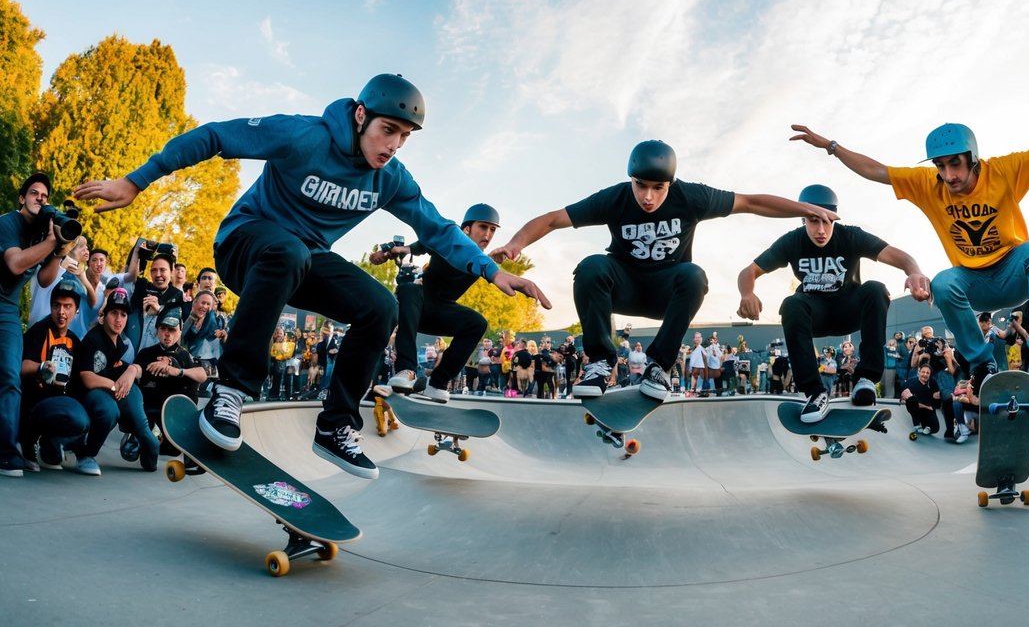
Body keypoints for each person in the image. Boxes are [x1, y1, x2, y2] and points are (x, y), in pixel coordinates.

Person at [76, 73, 548, 479]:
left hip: (300, 261)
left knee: (380, 307)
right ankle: (231, 390)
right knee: (287, 249)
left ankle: (336, 425)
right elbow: (216, 136)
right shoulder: (303, 136)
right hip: (245, 245)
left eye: (404, 137)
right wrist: (137, 180)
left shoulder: (391, 179)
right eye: (388, 130)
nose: (393, 146)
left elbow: (438, 228)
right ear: (361, 115)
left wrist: (490, 271)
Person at [790, 69, 1029, 403]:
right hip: (972, 284)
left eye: (955, 165)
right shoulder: (930, 184)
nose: (948, 175)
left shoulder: (1003, 171)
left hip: (1013, 274)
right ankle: (982, 365)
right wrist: (831, 145)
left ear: (973, 159)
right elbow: (878, 171)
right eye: (941, 166)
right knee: (941, 282)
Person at [491, 139, 838, 401]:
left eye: (658, 188)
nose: (648, 197)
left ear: (670, 183)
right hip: (623, 288)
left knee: (694, 275)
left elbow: (750, 202)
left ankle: (658, 366)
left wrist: (803, 210)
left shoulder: (691, 197)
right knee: (592, 266)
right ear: (632, 180)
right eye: (641, 185)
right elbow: (553, 219)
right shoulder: (614, 198)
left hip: (666, 292)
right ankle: (599, 363)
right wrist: (517, 244)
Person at [737, 183, 929, 421]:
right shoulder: (792, 241)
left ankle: (865, 379)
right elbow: (749, 271)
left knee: (876, 289)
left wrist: (914, 272)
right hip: (814, 313)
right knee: (791, 303)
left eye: (827, 222)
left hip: (847, 311)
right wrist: (747, 294)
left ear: (835, 220)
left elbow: (900, 256)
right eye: (813, 221)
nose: (821, 230)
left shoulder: (850, 235)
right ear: (803, 220)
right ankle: (815, 393)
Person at [373, 204, 503, 403]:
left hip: (442, 311)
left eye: (492, 230)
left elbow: (494, 273)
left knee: (477, 322)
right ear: (466, 228)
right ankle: (406, 370)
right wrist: (407, 249)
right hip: (418, 303)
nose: (488, 234)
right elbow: (429, 241)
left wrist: (495, 261)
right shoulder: (449, 240)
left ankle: (437, 383)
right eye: (483, 227)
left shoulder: (482, 261)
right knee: (408, 289)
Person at [2, 172, 75, 477]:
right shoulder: (7, 223)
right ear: (22, 198)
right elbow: (16, 263)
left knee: (9, 374)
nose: (40, 200)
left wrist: (60, 250)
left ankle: (6, 451)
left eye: (45, 197)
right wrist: (50, 241)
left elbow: (45, 280)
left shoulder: (45, 232)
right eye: (34, 194)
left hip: (7, 307)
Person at [71, 287, 161, 474]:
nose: (119, 319)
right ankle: (86, 455)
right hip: (82, 395)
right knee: (109, 409)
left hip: (103, 390)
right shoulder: (94, 339)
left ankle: (145, 439)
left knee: (133, 392)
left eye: (123, 314)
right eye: (114, 313)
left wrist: (131, 370)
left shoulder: (120, 342)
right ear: (104, 315)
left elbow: (119, 368)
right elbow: (87, 378)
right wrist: (114, 386)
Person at [20, 277, 91, 471]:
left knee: (81, 417)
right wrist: (41, 367)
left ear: (76, 310)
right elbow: (22, 365)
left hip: (61, 401)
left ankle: (52, 445)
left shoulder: (75, 342)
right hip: (33, 401)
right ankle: (27, 444)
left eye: (68, 306)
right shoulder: (39, 331)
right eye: (56, 305)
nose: (61, 312)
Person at [902, 361, 942, 436]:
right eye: (923, 372)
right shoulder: (911, 382)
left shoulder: (933, 383)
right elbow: (903, 397)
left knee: (935, 428)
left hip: (928, 411)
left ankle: (926, 426)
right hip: (917, 409)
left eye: (927, 373)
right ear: (919, 372)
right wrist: (925, 406)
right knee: (911, 399)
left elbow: (936, 404)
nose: (925, 374)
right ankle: (916, 423)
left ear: (930, 375)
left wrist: (938, 395)